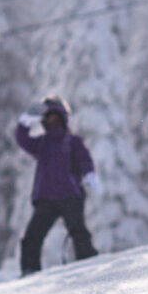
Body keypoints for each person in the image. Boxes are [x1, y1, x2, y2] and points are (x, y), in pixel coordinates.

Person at [14, 95, 100, 274]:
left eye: (55, 117)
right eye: (48, 117)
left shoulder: (72, 141)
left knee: (78, 231)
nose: (52, 121)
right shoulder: (42, 144)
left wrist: (90, 174)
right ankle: (30, 270)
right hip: (46, 198)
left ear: (62, 118)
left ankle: (89, 263)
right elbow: (22, 140)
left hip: (70, 195)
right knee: (32, 237)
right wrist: (25, 121)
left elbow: (84, 159)